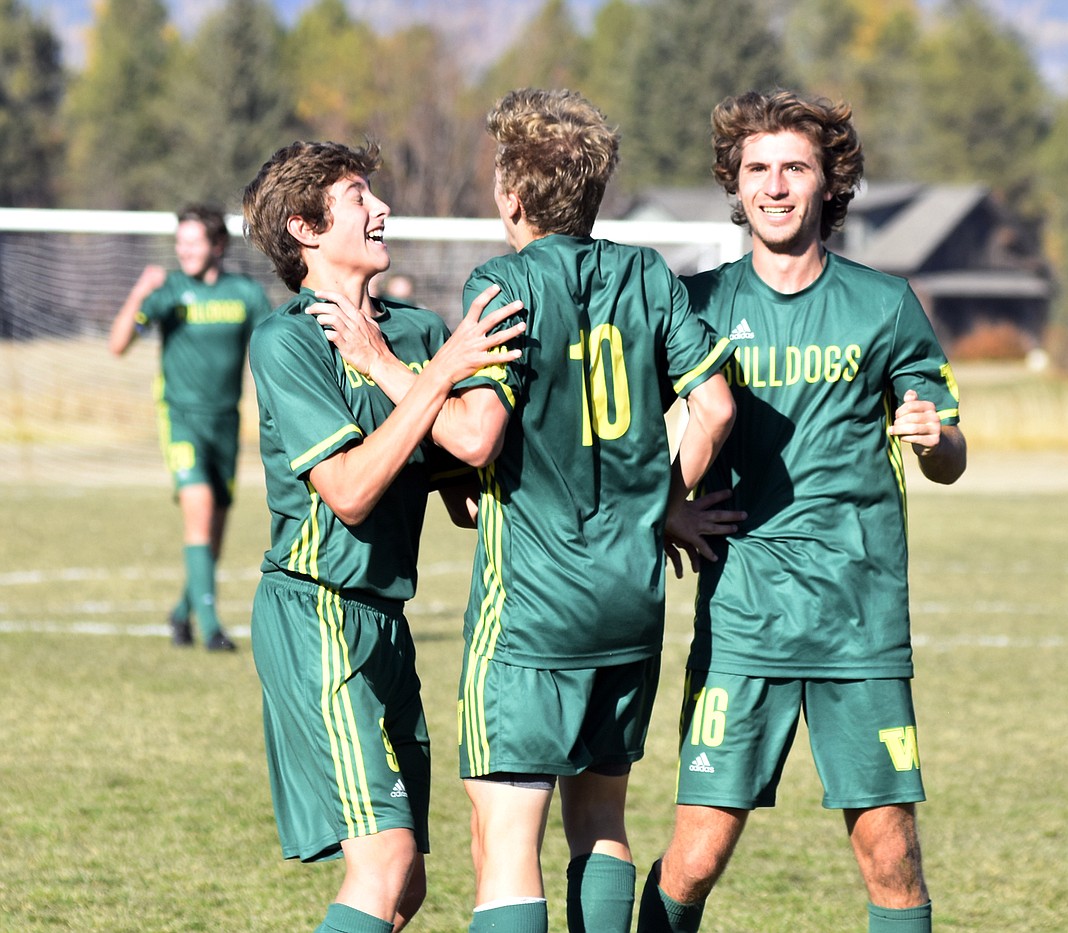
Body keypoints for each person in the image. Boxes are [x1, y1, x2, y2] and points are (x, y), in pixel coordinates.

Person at [636, 89, 967, 933]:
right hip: (744, 613)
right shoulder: (695, 303)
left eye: (794, 167)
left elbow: (953, 455)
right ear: (734, 184)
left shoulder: (885, 304)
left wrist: (934, 437)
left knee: (889, 852)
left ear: (829, 184)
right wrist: (667, 508)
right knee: (697, 853)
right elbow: (625, 434)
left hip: (858, 619)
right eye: (756, 169)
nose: (775, 186)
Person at [442, 88, 734, 933]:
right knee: (602, 822)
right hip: (631, 597)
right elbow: (713, 406)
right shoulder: (645, 273)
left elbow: (477, 437)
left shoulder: (503, 280)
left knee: (505, 838)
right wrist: (669, 500)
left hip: (535, 605)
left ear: (514, 198)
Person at [240, 140, 525, 933]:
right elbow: (352, 491)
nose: (381, 209)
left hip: (385, 621)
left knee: (407, 889)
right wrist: (434, 379)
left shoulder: (421, 328)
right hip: (316, 612)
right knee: (384, 862)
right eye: (359, 196)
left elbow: (460, 462)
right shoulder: (289, 341)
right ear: (304, 226)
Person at [108, 204, 271, 652]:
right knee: (198, 513)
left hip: (226, 426)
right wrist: (141, 291)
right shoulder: (170, 291)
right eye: (180, 242)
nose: (184, 250)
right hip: (181, 421)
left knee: (213, 534)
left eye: (193, 241)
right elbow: (118, 343)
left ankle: (181, 613)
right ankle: (212, 628)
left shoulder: (246, 295)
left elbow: (269, 356)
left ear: (218, 245)